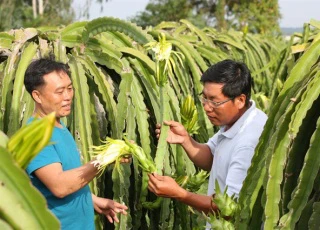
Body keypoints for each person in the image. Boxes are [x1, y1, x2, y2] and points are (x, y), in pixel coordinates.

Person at [148, 59, 267, 221]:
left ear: (240, 100)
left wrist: (180, 194)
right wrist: (186, 140)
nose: (206, 107)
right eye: (204, 98)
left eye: (214, 101)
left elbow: (230, 208)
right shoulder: (235, 121)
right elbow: (212, 158)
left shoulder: (249, 141)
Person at [24, 58, 128, 230]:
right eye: (59, 92)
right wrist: (103, 159)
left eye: (70, 88)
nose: (67, 97)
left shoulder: (57, 125)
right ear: (37, 96)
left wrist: (92, 200)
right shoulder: (34, 135)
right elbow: (59, 186)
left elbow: (59, 180)